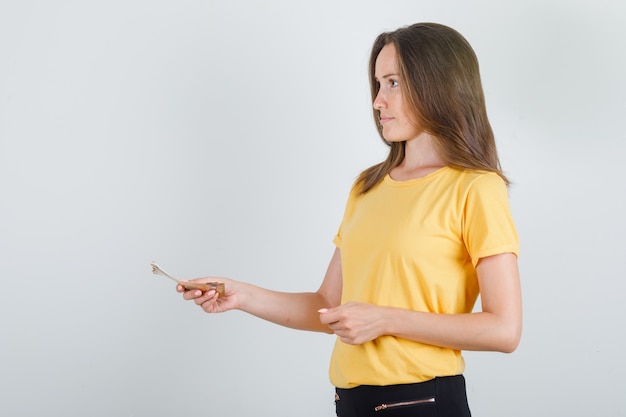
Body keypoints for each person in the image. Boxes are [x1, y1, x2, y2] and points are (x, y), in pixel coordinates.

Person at [178, 22, 521, 417]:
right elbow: (329, 305)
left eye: (393, 83)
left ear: (437, 86)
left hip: (422, 402)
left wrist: (384, 319)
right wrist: (240, 294)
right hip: (350, 402)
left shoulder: (476, 188)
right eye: (378, 84)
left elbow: (504, 329)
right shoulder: (367, 186)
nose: (378, 101)